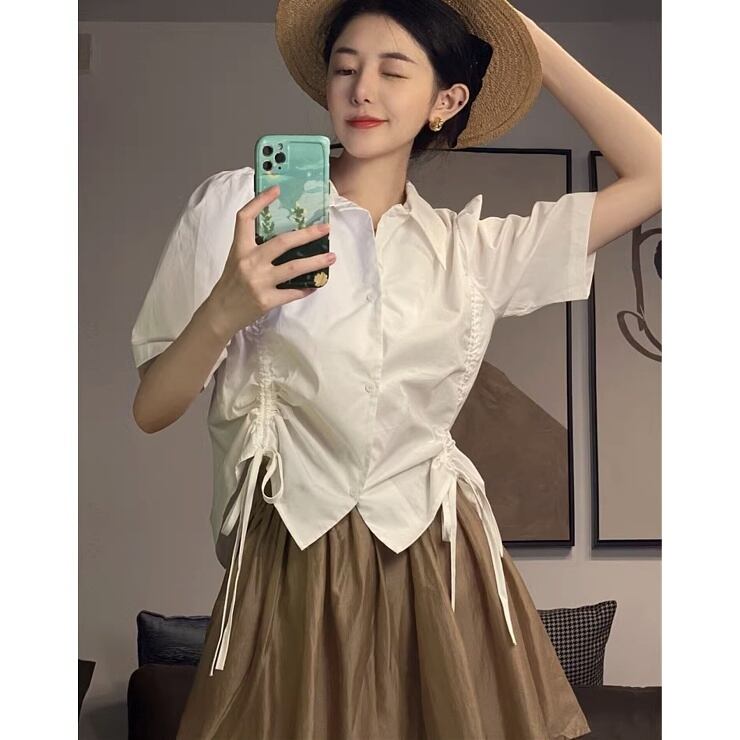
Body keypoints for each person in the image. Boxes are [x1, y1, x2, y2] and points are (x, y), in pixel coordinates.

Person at [130, 0, 661, 737]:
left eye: (393, 70)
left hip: (439, 564)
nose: (362, 89)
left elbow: (656, 172)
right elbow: (152, 408)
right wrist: (226, 307)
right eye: (345, 68)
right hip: (293, 561)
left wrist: (520, 35)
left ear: (446, 100)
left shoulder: (471, 252)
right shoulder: (236, 208)